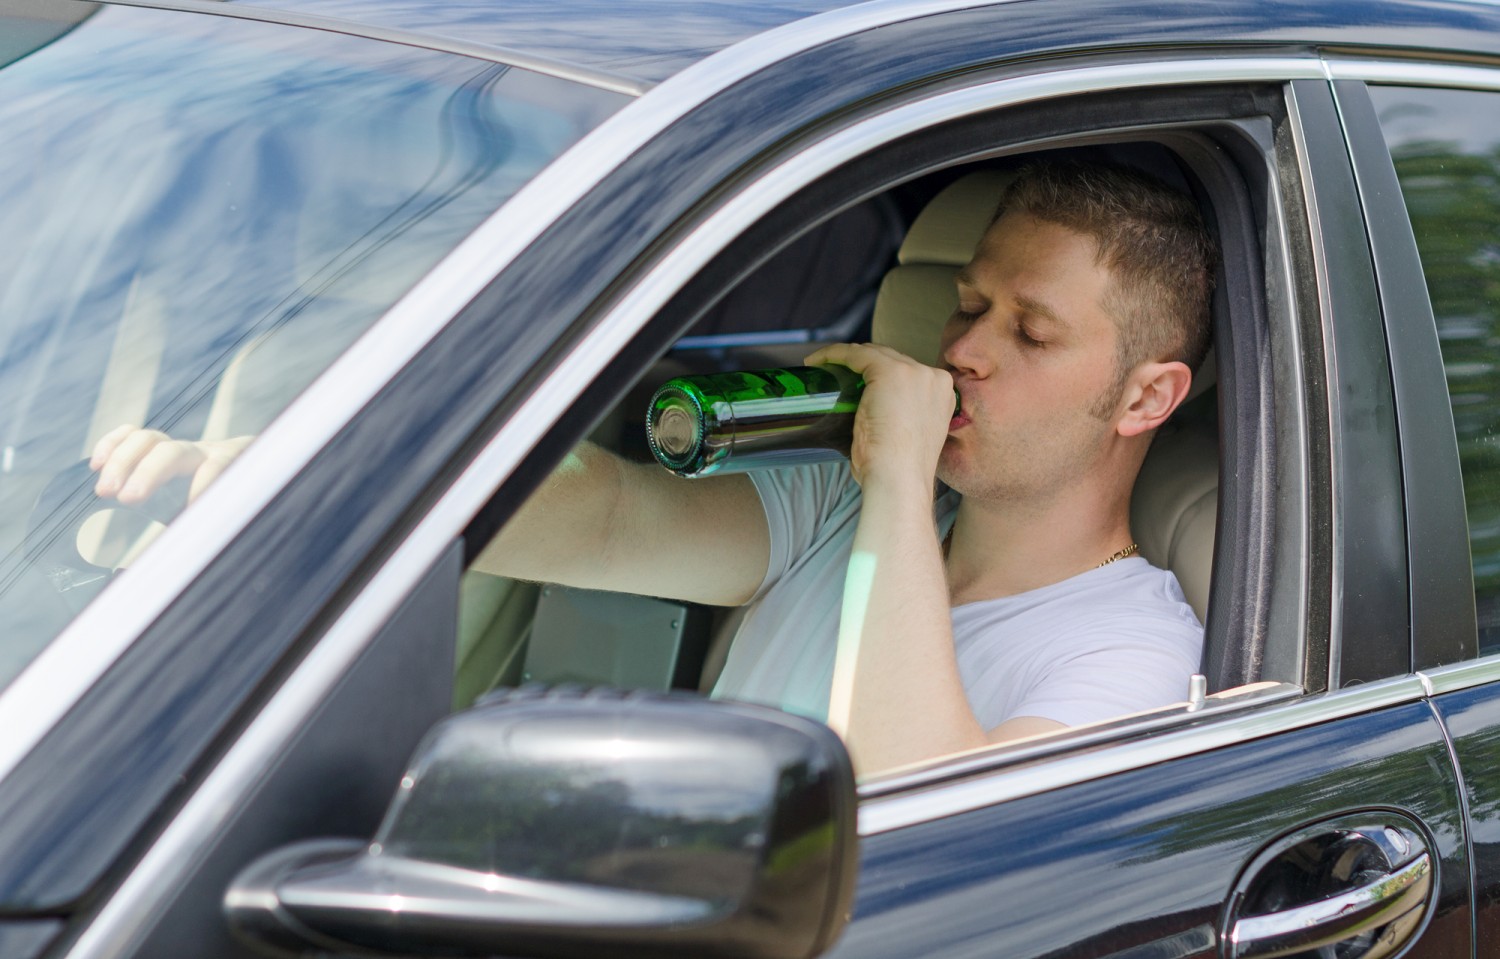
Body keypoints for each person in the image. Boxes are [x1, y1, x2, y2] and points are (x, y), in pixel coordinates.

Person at [90, 159, 1217, 775]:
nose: (963, 346)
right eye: (967, 305)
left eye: (1029, 331)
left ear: (1145, 396)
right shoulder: (846, 498)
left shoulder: (1136, 646)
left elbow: (906, 794)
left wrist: (894, 479)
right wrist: (300, 479)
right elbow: (603, 517)